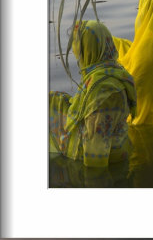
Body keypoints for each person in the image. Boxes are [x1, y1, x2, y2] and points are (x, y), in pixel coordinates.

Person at [49, 20, 136, 168]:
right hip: (118, 148)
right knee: (53, 100)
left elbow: (95, 154)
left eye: (79, 52)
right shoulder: (112, 72)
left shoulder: (104, 92)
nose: (78, 59)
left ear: (88, 51)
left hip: (102, 159)